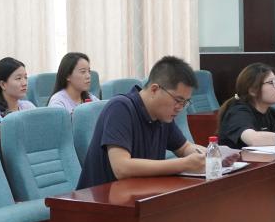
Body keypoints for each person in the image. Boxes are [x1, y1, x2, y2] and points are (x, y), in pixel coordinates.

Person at [78, 56, 207, 187]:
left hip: (139, 193)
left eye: (185, 102)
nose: (180, 108)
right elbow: (121, 168)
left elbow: (184, 148)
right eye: (178, 100)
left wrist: (209, 155)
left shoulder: (163, 116)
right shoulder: (120, 108)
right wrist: (184, 164)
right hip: (101, 197)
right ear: (154, 89)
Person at [217, 63, 275, 149]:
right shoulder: (237, 111)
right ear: (253, 90)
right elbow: (253, 139)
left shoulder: (269, 111)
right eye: (271, 83)